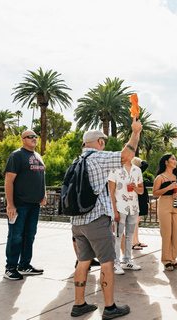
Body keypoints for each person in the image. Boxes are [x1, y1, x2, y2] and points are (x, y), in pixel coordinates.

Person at [69, 117, 142, 319]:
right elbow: (127, 156)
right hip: (96, 221)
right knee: (107, 262)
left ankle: (79, 304)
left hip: (77, 222)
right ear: (100, 142)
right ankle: (109, 308)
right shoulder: (97, 158)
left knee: (83, 262)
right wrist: (135, 132)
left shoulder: (77, 160)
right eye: (104, 142)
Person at [4, 130, 46, 281]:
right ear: (23, 140)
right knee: (16, 236)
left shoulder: (38, 156)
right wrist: (10, 205)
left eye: (35, 136)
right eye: (30, 137)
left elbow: (41, 176)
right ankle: (10, 268)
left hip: (34, 205)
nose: (34, 138)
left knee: (30, 235)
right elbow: (9, 180)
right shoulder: (17, 156)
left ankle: (25, 265)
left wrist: (44, 194)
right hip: (19, 205)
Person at [108, 157, 144, 275]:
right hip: (120, 207)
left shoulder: (137, 170)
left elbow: (141, 191)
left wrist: (135, 187)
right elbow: (111, 192)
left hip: (134, 208)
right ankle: (116, 263)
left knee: (129, 235)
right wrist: (114, 211)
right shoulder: (114, 169)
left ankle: (127, 260)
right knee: (118, 235)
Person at [152, 154, 177, 271]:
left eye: (175, 159)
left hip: (176, 206)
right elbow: (155, 193)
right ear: (166, 162)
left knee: (176, 233)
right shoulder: (160, 177)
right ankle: (166, 260)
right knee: (166, 233)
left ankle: (173, 259)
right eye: (173, 159)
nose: (175, 161)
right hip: (164, 204)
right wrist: (169, 187)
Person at [131, 157, 149, 250]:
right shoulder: (135, 172)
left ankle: (137, 241)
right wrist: (140, 162)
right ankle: (133, 243)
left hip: (141, 200)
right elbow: (146, 164)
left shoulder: (137, 173)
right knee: (135, 223)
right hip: (137, 200)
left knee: (137, 223)